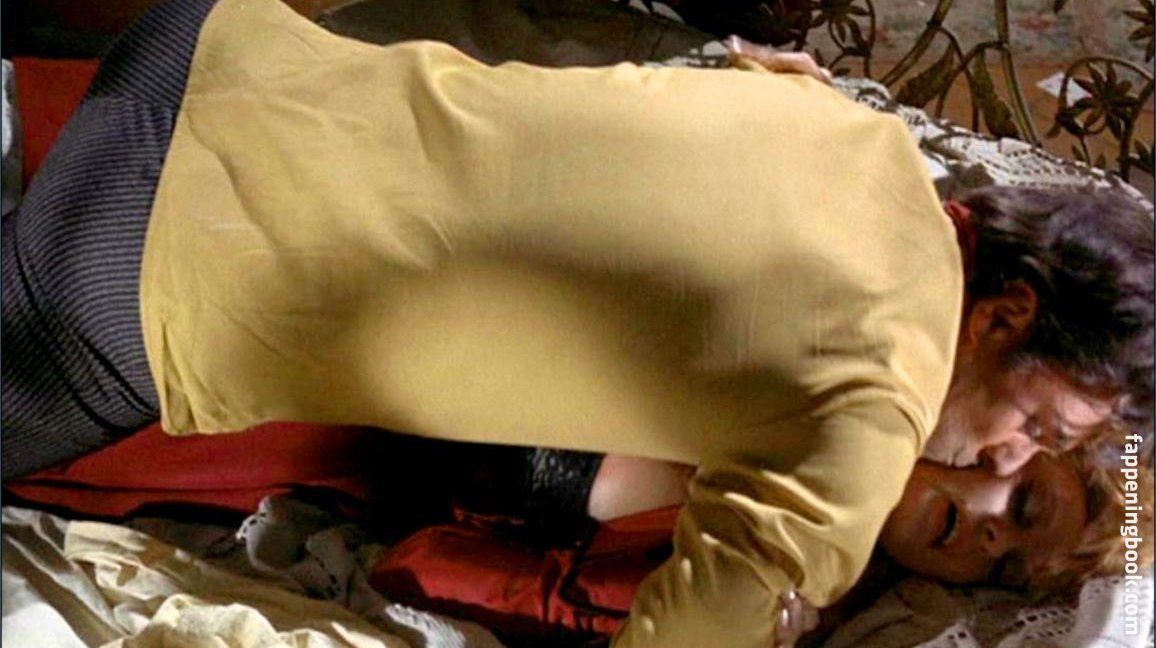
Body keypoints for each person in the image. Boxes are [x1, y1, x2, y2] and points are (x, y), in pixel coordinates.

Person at [2, 0, 1152, 646]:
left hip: (214, 57)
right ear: (1008, 314)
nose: (1005, 458)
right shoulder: (867, 417)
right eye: (1040, 429)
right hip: (147, 276)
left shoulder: (863, 141)